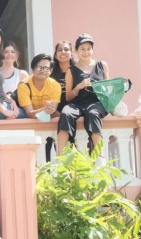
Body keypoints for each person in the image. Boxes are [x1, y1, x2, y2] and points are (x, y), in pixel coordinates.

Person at [57, 33, 109, 162]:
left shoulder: (102, 65)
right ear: (76, 50)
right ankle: (61, 158)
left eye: (88, 48)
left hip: (97, 102)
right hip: (77, 103)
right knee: (66, 113)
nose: (86, 52)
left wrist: (100, 88)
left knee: (92, 113)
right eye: (82, 49)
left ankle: (100, 157)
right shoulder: (71, 70)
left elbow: (109, 89)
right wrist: (78, 87)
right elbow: (68, 97)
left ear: (92, 49)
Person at [17, 53, 61, 120]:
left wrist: (48, 111)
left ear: (51, 70)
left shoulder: (55, 86)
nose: (42, 71)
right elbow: (29, 113)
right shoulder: (23, 85)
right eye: (38, 67)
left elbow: (51, 112)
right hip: (29, 121)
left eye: (46, 68)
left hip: (47, 121)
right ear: (32, 69)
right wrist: (44, 111)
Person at [50, 41, 75, 115]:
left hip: (74, 110)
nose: (63, 52)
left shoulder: (78, 71)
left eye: (66, 49)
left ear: (71, 54)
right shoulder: (50, 73)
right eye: (59, 50)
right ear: (55, 55)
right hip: (54, 112)